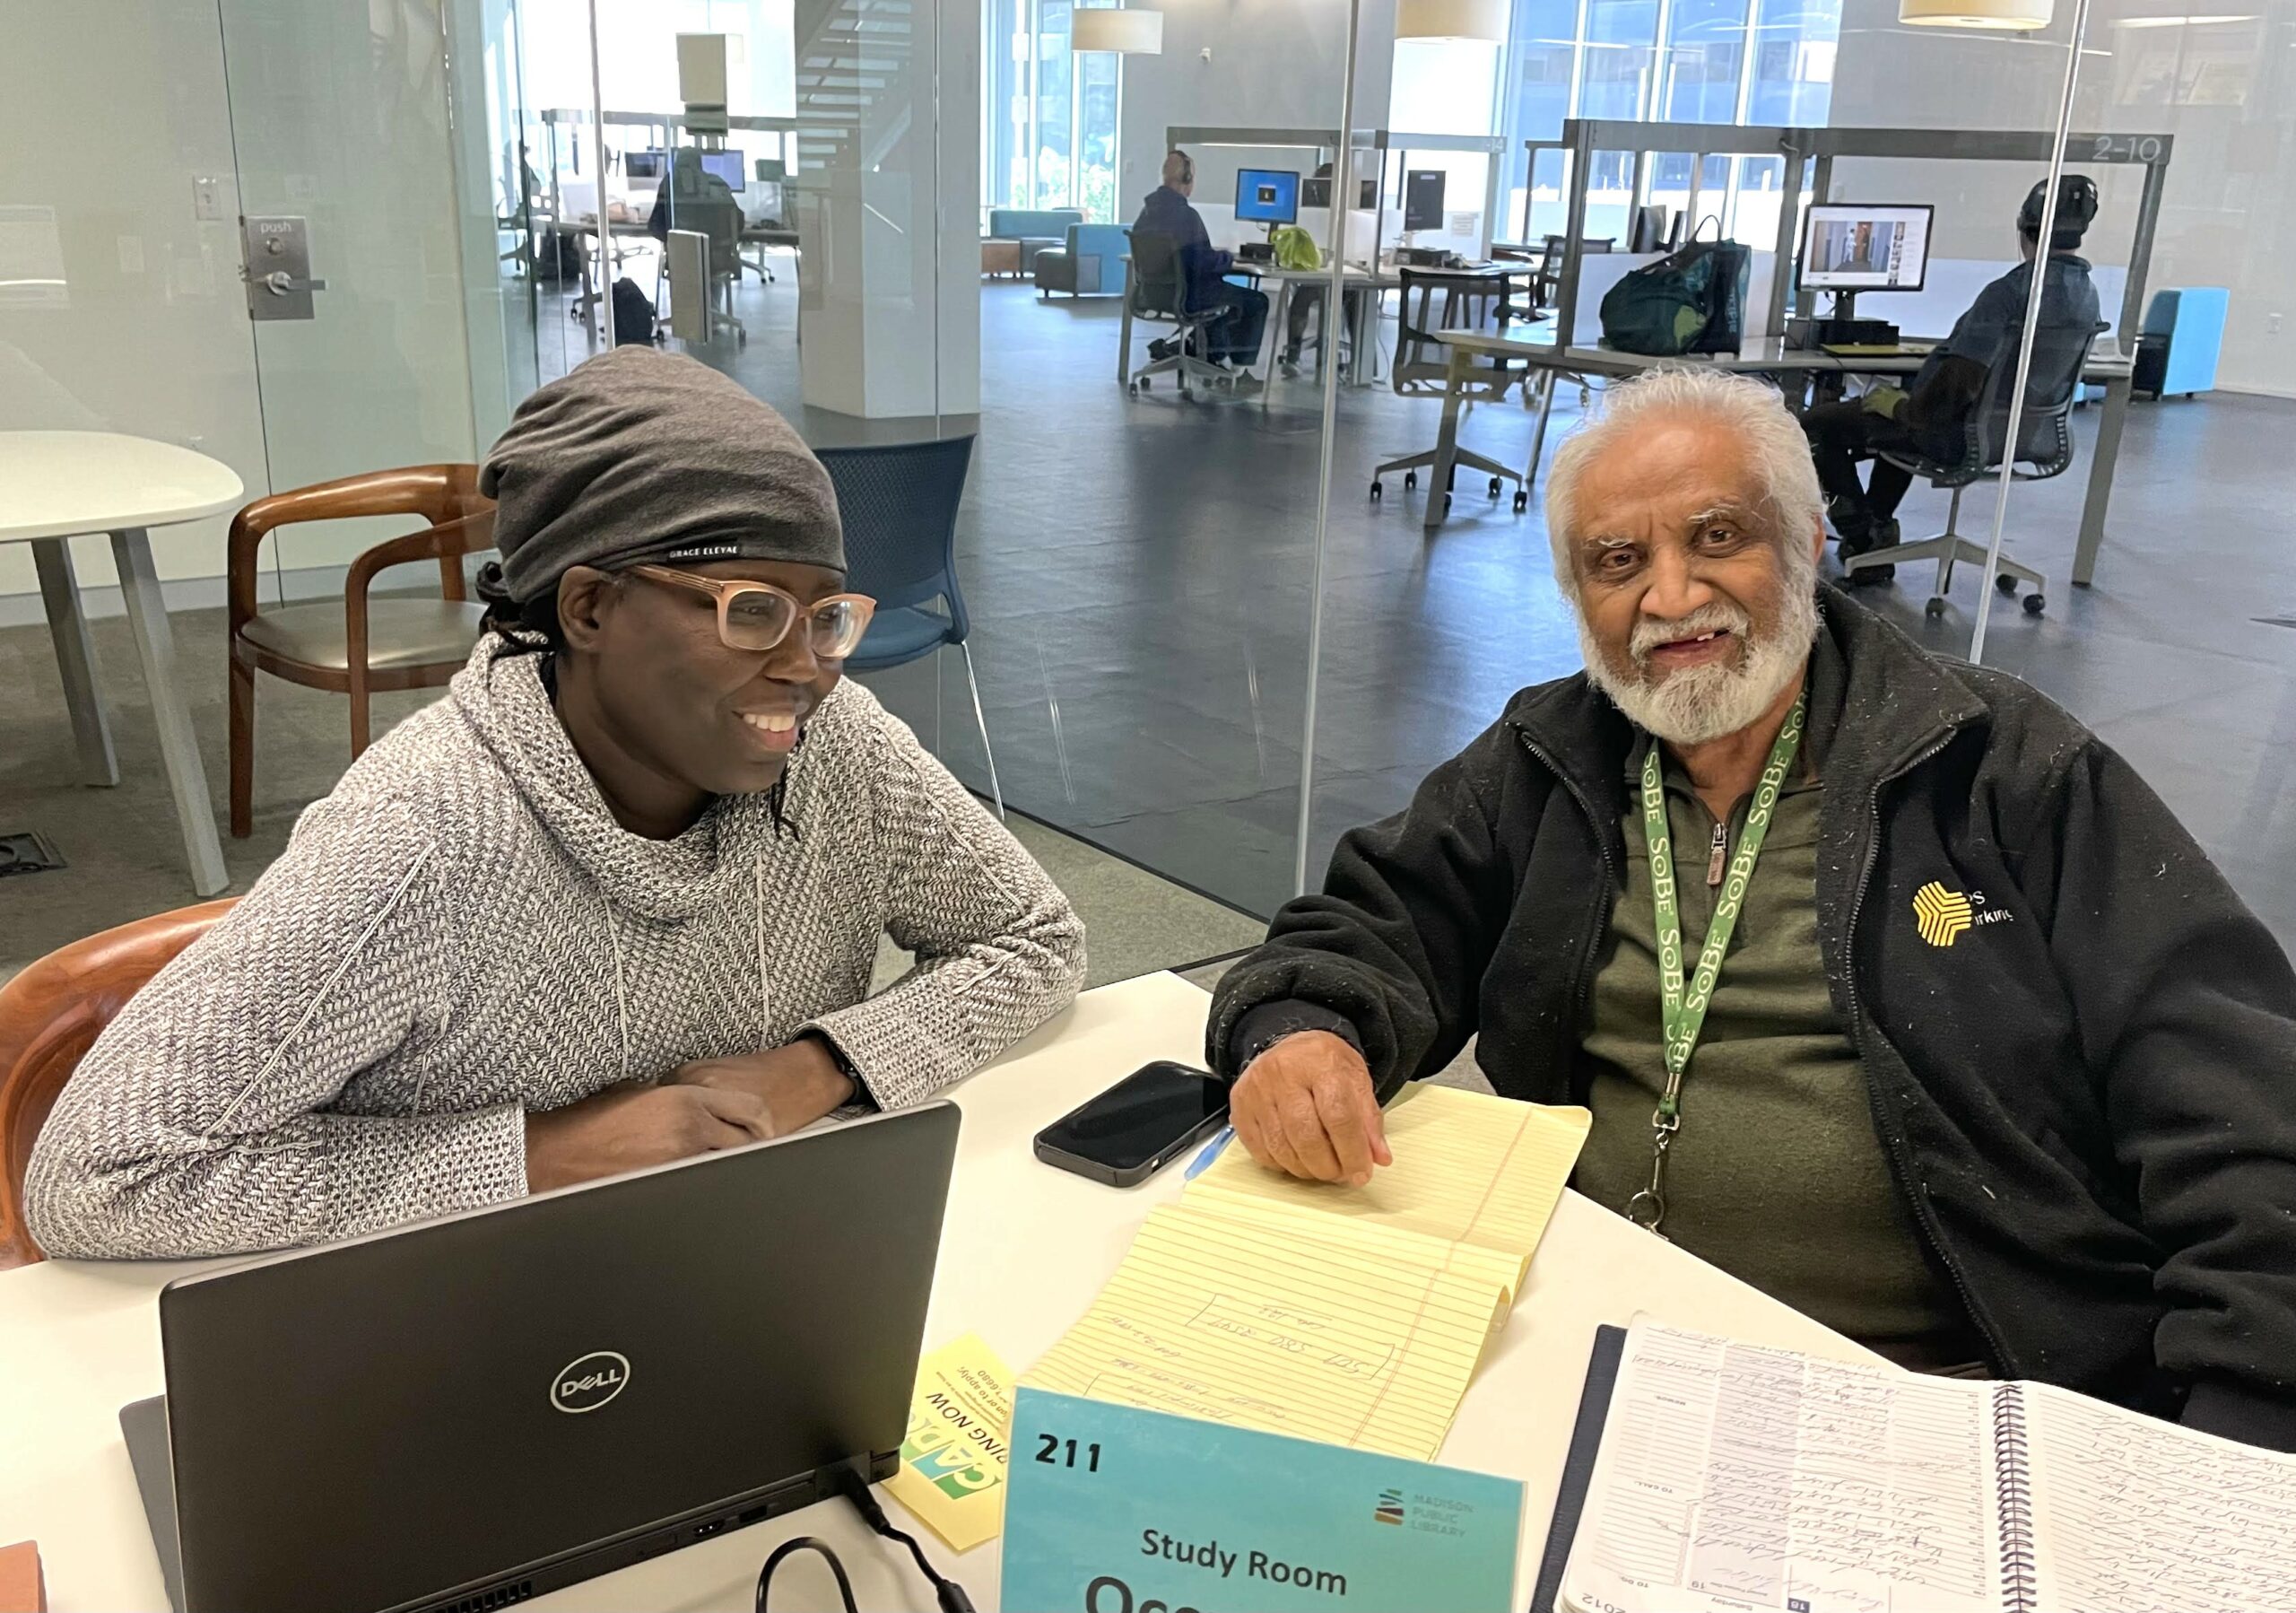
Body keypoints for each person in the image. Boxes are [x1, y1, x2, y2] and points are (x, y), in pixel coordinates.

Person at [1205, 366, 2296, 1449]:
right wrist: (1301, 1028)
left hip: (1938, 1388)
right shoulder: (1553, 756)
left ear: (1811, 543)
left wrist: (2238, 1430)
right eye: (1617, 561)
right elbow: (1377, 918)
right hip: (1594, 1334)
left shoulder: (2000, 771)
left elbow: (2238, 1104)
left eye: (1717, 536)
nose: (1670, 597)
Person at [26, 348, 1086, 1260]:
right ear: (588, 605)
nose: (808, 667)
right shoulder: (422, 841)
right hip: (462, 1319)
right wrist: (541, 1154)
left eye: (824, 616)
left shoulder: (831, 746)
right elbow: (104, 1172)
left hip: (746, 1261)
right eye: (752, 611)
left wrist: (816, 1067)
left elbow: (1034, 939)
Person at [1802, 176, 2101, 584]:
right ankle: (1875, 530)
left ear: (2023, 226)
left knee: (1819, 423)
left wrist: (1902, 407)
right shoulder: (2086, 294)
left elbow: (1960, 382)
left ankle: (1863, 535)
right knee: (1899, 420)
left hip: (1956, 434)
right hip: (2018, 435)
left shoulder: (2009, 294)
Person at [1132, 148, 1269, 371]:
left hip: (1152, 296)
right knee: (1256, 301)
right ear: (1187, 180)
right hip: (1188, 296)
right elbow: (1201, 262)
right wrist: (1226, 259)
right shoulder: (1186, 216)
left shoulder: (1146, 213)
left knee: (1226, 302)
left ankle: (1215, 357)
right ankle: (1238, 371)